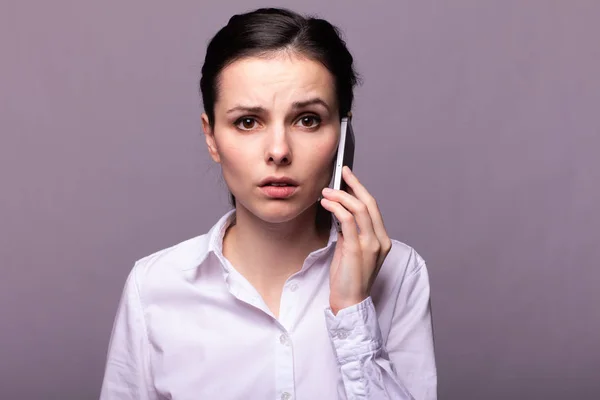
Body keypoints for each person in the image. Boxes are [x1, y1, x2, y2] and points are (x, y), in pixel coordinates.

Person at [100, 7, 437, 400]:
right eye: (247, 121)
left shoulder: (400, 274)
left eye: (307, 120)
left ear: (343, 135)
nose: (278, 151)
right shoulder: (154, 286)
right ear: (211, 136)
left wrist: (352, 311)